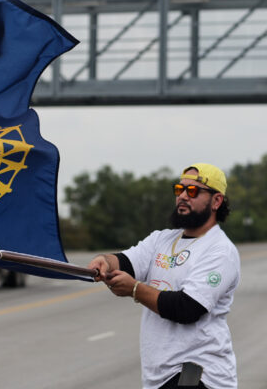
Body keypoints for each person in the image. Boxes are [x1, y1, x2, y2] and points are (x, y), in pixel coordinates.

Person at [88, 163, 240, 389]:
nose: (182, 197)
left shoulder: (219, 250)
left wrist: (135, 290)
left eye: (192, 191)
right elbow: (126, 261)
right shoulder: (162, 239)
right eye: (179, 189)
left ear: (216, 201)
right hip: (160, 377)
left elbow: (188, 308)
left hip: (198, 376)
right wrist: (106, 261)